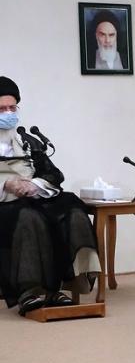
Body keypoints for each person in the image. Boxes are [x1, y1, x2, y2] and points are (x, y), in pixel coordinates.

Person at [0, 76, 100, 315]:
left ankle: (65, 285)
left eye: (12, 108)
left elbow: (53, 173)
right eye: (2, 109)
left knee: (72, 209)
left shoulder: (25, 139)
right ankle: (30, 290)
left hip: (31, 196)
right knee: (29, 216)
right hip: (4, 203)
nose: (8, 113)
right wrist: (7, 184)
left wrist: (35, 185)